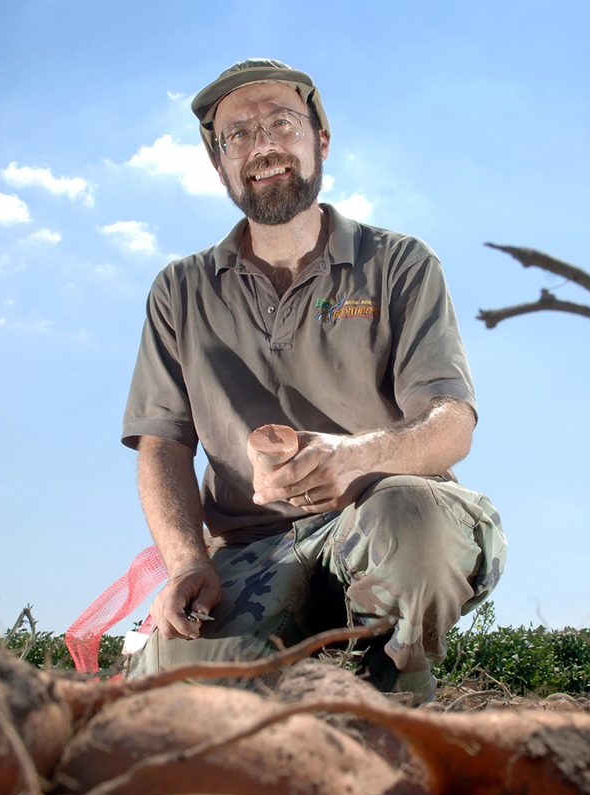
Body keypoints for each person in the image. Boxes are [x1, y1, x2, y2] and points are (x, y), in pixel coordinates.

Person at [120, 59, 505, 701]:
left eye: (281, 122)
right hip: (254, 546)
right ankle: (271, 664)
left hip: (383, 521)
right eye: (236, 134)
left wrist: (356, 457)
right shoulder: (179, 291)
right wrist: (188, 560)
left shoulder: (399, 263)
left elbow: (452, 421)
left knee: (408, 521)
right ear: (219, 164)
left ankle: (398, 689)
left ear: (320, 140)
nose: (262, 144)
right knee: (169, 700)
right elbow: (162, 445)